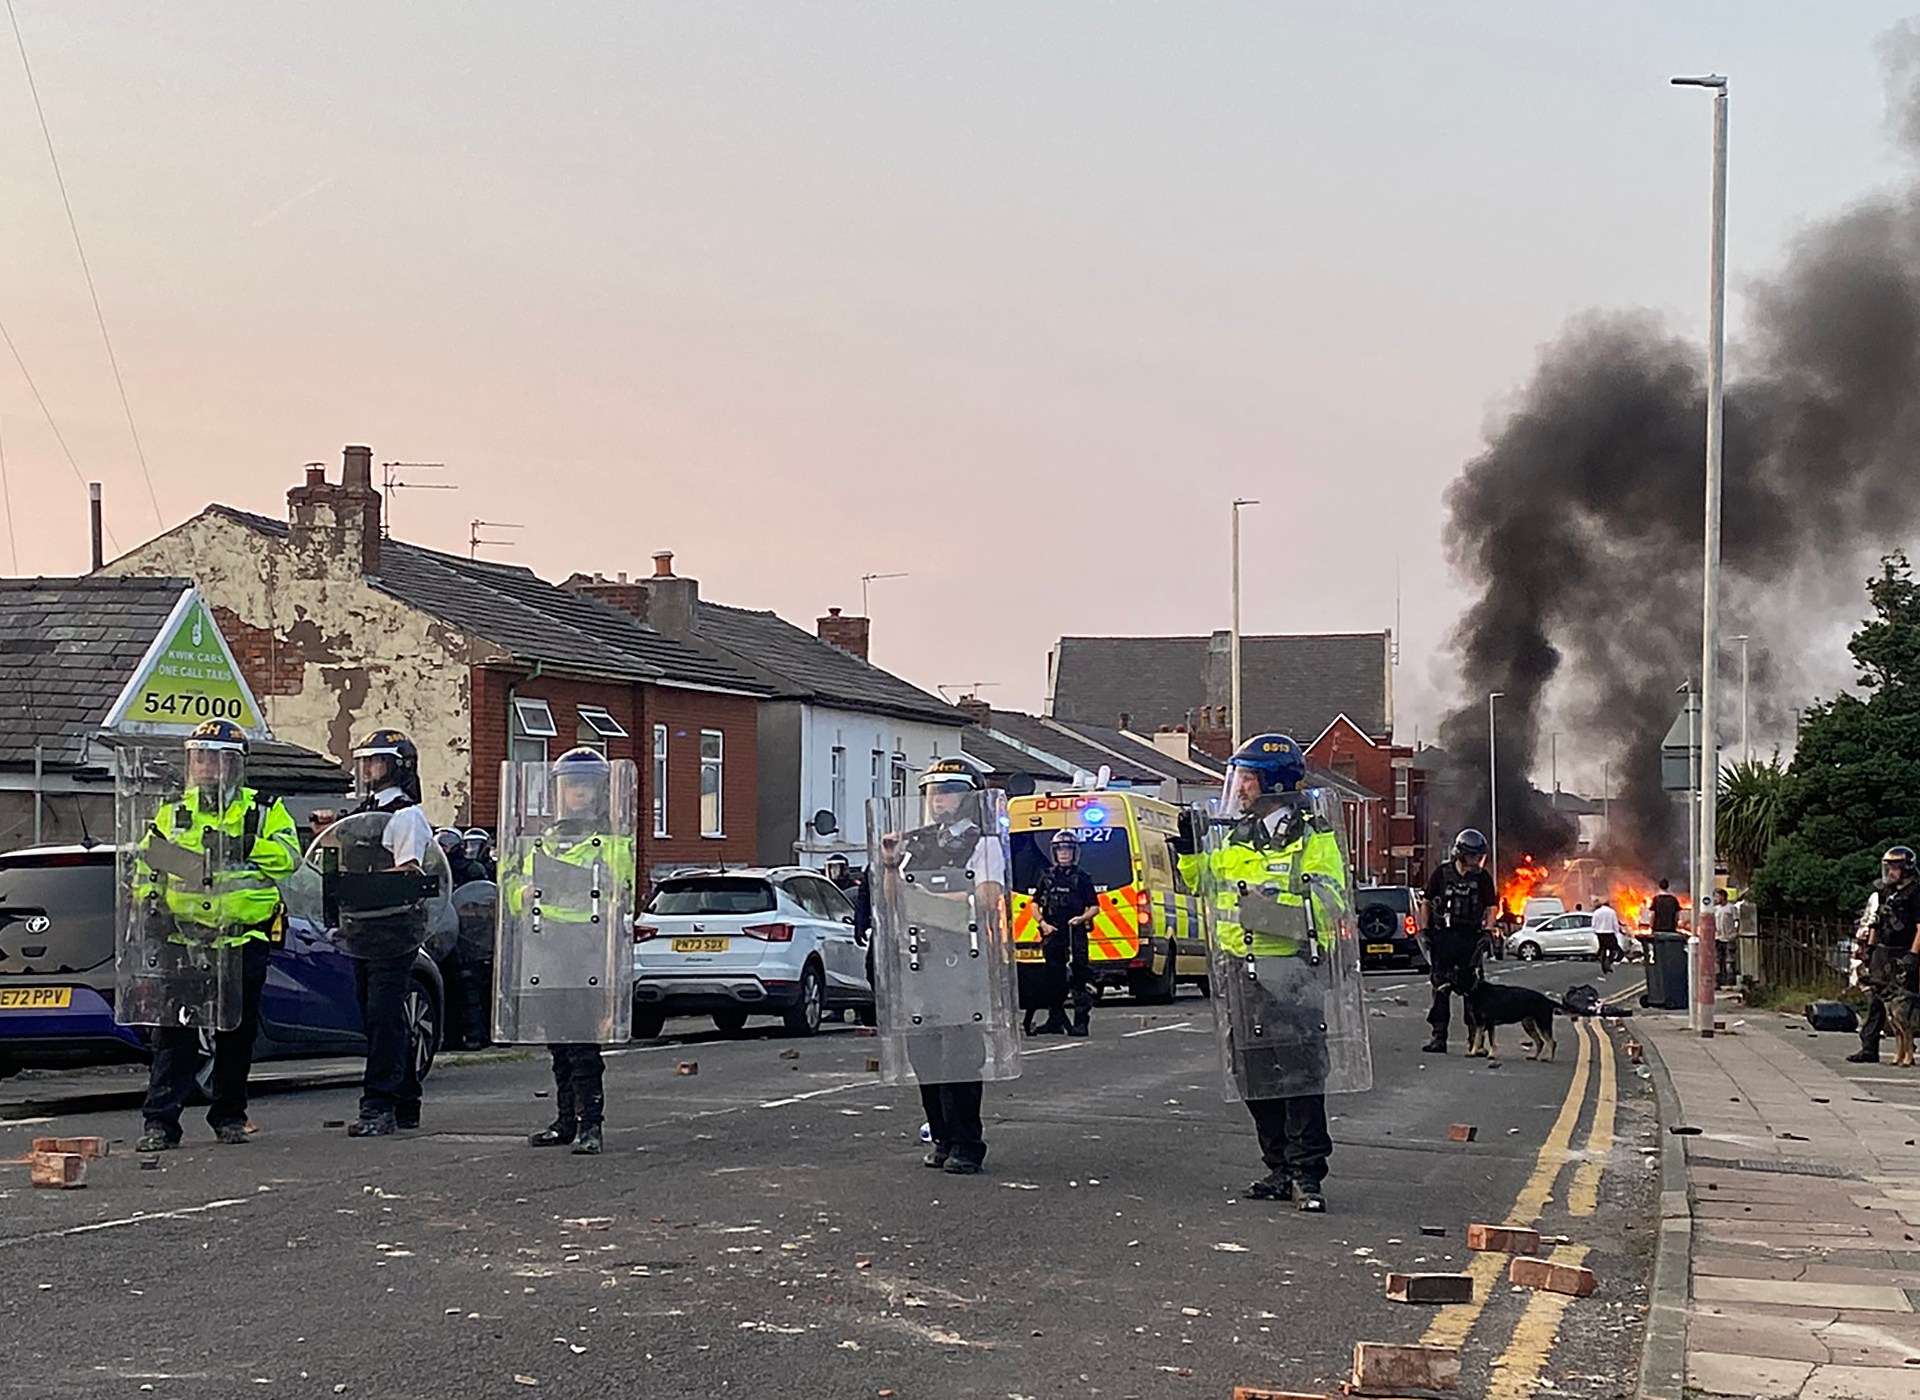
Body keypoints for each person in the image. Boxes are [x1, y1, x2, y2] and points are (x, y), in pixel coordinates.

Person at [1182, 733, 1357, 1213]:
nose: (1239, 789)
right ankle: (1278, 1165)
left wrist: (1266, 908)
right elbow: (1205, 886)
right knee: (1252, 1073)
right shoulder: (1236, 835)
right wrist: (1188, 849)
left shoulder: (1314, 837)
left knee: (1299, 1074)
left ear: (1275, 783)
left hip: (1293, 972)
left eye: (1249, 779)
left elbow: (1329, 903)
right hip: (1242, 971)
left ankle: (1306, 1173)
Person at [132, 720, 300, 1153]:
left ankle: (229, 1116)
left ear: (233, 764)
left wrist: (248, 844)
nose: (205, 766)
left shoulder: (263, 810)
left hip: (242, 941)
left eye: (214, 757)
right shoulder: (172, 810)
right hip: (184, 941)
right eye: (198, 757)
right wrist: (150, 907)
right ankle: (161, 1123)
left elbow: (289, 859)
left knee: (235, 1037)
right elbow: (148, 867)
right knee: (173, 1036)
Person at [871, 755, 1008, 1175]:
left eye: (948, 792)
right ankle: (943, 1135)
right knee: (924, 1055)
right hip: (918, 958)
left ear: (968, 799)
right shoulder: (916, 843)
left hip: (961, 956)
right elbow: (894, 901)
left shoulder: (981, 843)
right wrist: (892, 865)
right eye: (933, 793)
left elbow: (983, 897)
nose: (938, 801)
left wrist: (925, 903)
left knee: (960, 1055)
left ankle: (968, 1142)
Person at [513, 748, 637, 1156]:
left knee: (583, 1040)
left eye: (585, 786)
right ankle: (565, 1119)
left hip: (586, 946)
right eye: (570, 786)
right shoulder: (542, 841)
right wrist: (524, 893)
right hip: (546, 945)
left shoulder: (612, 842)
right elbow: (512, 889)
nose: (577, 794)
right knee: (558, 1042)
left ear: (600, 792)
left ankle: (591, 1125)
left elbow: (622, 891)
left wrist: (579, 883)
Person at [339, 726, 437, 1137]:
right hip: (364, 925)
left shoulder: (404, 815)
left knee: (384, 1015)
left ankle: (378, 1103)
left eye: (375, 761)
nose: (368, 769)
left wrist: (366, 879)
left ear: (397, 767)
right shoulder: (364, 810)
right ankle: (405, 1098)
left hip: (394, 926)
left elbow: (408, 869)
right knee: (380, 1016)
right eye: (364, 762)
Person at [1420, 829, 1499, 1055]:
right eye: (1473, 856)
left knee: (1473, 990)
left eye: (1479, 856)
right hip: (1444, 938)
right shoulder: (1442, 874)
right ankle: (1439, 1036)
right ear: (1461, 854)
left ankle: (1475, 1041)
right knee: (1441, 987)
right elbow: (1426, 901)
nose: (1477, 861)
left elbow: (1491, 907)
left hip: (1470, 939)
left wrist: (1488, 931)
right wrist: (1424, 930)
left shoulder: (1482, 878)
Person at [1850, 846, 1920, 1065]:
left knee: (1904, 1004)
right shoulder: (1886, 892)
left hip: (1903, 952)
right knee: (1877, 1000)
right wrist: (1870, 949)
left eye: (1895, 867)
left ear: (1906, 869)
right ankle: (1869, 1047)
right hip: (1883, 951)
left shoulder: (1916, 894)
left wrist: (1913, 955)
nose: (1890, 871)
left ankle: (1908, 1049)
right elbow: (1876, 921)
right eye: (1888, 867)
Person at [1027, 829, 1099, 1037]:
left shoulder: (1082, 878)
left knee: (1079, 976)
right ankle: (1055, 1020)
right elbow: (1034, 905)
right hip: (1053, 934)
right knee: (1053, 978)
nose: (1064, 854)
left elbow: (1094, 906)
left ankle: (1081, 1022)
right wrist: (1043, 924)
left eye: (1068, 850)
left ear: (1074, 852)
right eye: (1061, 850)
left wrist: (1081, 919)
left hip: (1074, 932)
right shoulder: (1047, 877)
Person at [1591, 896, 1624, 976]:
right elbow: (1615, 924)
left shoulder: (1597, 912)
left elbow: (1593, 924)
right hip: (1609, 933)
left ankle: (1604, 967)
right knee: (1614, 949)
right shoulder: (1611, 912)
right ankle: (1608, 962)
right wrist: (1616, 933)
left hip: (1600, 933)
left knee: (1603, 949)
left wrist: (1595, 931)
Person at [1712, 889, 1738, 987]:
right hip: (1718, 937)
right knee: (1719, 959)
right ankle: (1720, 980)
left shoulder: (1731, 908)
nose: (1716, 899)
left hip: (1728, 937)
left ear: (1723, 897)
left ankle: (1730, 979)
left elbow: (1736, 920)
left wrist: (1735, 932)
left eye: (1717, 896)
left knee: (1729, 959)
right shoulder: (1716, 909)